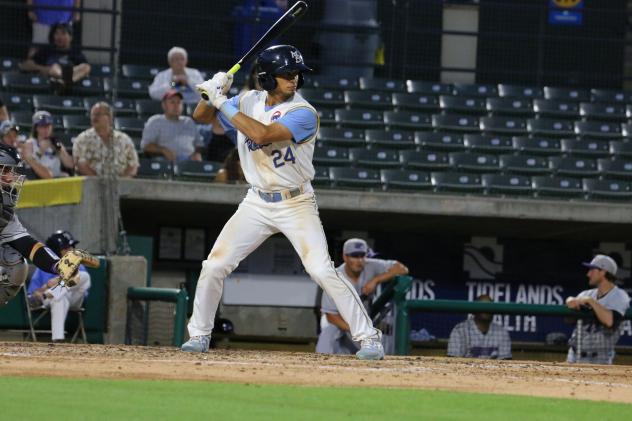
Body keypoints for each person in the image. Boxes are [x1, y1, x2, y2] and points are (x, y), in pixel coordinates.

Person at [181, 45, 385, 360]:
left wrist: (221, 101)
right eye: (287, 75)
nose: (294, 80)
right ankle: (199, 335)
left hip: (295, 202)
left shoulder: (303, 113)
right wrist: (213, 91)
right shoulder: (247, 100)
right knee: (215, 265)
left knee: (321, 269)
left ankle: (369, 338)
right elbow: (201, 116)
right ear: (267, 78)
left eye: (297, 75)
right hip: (256, 201)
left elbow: (261, 135)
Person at [0, 143, 98, 308]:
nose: (11, 178)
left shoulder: (5, 214)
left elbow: (28, 245)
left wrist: (58, 265)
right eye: (6, 171)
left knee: (16, 265)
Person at [315, 238, 409, 355]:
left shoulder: (370, 266)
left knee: (370, 351)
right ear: (345, 257)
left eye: (362, 255)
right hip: (337, 321)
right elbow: (331, 316)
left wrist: (376, 280)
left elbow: (402, 269)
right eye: (354, 256)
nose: (359, 260)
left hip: (360, 321)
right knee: (327, 336)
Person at [27, 230, 91, 342]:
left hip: (75, 298)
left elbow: (81, 283)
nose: (71, 250)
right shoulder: (44, 266)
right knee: (59, 298)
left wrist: (57, 280)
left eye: (72, 247)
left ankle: (51, 293)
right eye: (66, 248)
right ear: (55, 251)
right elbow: (33, 295)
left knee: (85, 276)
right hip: (51, 300)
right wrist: (45, 287)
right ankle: (58, 339)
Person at [565, 254, 630, 364]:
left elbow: (609, 321)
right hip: (574, 355)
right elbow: (569, 320)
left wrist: (591, 302)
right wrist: (569, 301)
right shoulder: (587, 293)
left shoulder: (620, 295)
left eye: (592, 270)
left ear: (603, 272)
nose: (588, 274)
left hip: (599, 359)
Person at [73, 102, 139, 177]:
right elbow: (80, 164)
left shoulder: (124, 139)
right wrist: (99, 182)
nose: (94, 117)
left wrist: (121, 182)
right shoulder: (82, 139)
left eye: (98, 114)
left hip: (120, 186)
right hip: (91, 185)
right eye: (92, 115)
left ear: (110, 117)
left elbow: (133, 165)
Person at [21, 22, 90, 94]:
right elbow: (25, 65)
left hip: (72, 80)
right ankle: (65, 82)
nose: (59, 37)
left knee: (86, 67)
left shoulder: (76, 53)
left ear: (71, 37)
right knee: (55, 68)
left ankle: (65, 83)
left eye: (63, 33)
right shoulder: (46, 51)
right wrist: (45, 69)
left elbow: (85, 69)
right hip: (51, 82)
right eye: (57, 33)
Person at [140, 90, 204, 162]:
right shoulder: (155, 121)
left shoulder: (189, 122)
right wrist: (163, 150)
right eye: (172, 102)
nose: (176, 106)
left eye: (179, 102)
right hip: (165, 160)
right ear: (164, 105)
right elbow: (146, 146)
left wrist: (197, 153)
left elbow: (199, 144)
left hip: (189, 160)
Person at [447, 294, 512, 359]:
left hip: (493, 369)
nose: (486, 309)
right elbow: (453, 361)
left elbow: (506, 363)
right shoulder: (460, 330)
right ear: (474, 310)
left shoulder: (502, 332)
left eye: (489, 307)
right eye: (483, 306)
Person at [23, 110, 73, 178]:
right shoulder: (30, 143)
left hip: (56, 179)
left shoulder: (56, 143)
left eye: (48, 125)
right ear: (36, 128)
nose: (46, 129)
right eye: (42, 126)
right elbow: (28, 163)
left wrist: (60, 151)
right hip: (39, 179)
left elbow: (70, 165)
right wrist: (41, 151)